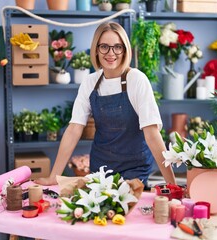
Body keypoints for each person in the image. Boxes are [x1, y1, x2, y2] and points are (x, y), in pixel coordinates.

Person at [35, 21, 176, 187]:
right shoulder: (90, 82)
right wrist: (54, 176)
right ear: (96, 49)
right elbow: (74, 129)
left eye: (117, 47)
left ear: (125, 50)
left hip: (134, 168)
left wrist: (172, 183)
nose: (111, 53)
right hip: (101, 167)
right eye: (104, 47)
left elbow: (152, 135)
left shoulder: (136, 79)